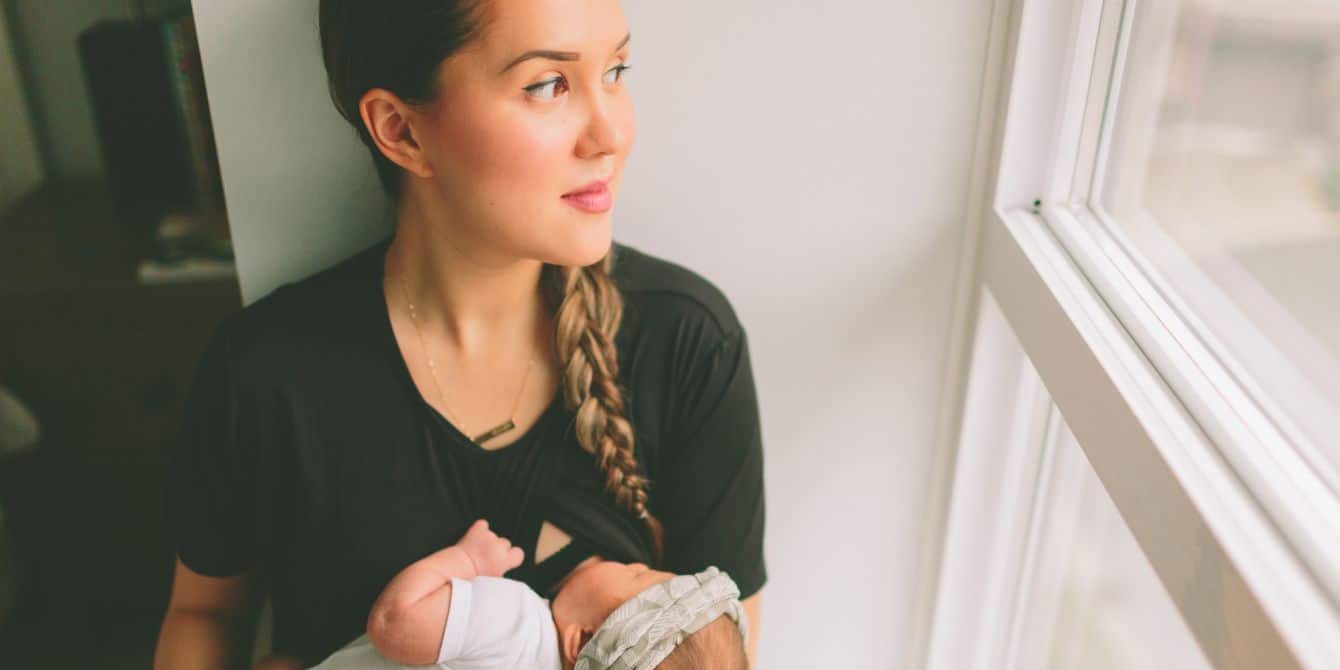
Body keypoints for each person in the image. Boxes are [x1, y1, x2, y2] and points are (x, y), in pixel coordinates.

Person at [153, 1, 766, 668]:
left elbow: (713, 651)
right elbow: (205, 613)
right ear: (402, 131)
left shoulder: (688, 344)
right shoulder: (268, 372)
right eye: (547, 84)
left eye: (616, 70)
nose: (611, 132)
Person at [310, 520, 749, 669]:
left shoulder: (516, 626)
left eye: (636, 575)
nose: (630, 561)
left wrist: (467, 562)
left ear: (581, 641)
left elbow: (393, 621)